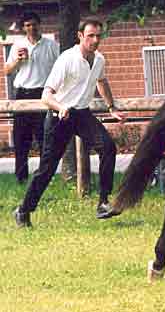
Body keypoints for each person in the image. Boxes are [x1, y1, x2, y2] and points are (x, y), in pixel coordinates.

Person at [13, 19, 126, 228]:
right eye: (91, 35)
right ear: (80, 36)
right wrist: (60, 107)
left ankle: (103, 202)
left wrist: (112, 108)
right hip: (59, 118)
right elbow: (46, 95)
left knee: (108, 147)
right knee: (47, 169)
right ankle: (23, 210)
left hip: (82, 115)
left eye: (98, 36)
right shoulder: (67, 59)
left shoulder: (99, 59)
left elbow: (101, 81)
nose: (95, 40)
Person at [4, 12, 59, 184]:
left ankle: (43, 178)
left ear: (39, 25)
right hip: (22, 95)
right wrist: (18, 61)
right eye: (27, 25)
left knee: (45, 138)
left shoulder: (51, 45)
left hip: (43, 94)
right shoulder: (18, 45)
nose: (31, 28)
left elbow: (60, 70)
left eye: (34, 24)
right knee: (21, 138)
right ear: (23, 28)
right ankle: (21, 178)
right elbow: (7, 71)